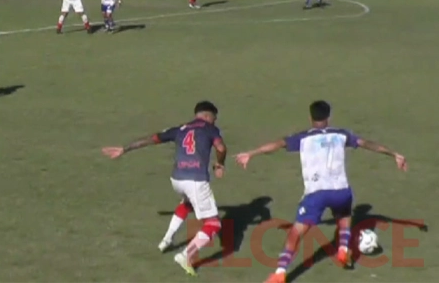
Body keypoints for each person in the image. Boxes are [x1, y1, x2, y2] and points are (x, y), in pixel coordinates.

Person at [234, 100, 408, 283]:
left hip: (317, 194)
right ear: (329, 116)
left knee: (295, 234)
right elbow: (367, 143)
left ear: (310, 117)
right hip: (341, 191)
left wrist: (251, 153)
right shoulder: (342, 134)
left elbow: (277, 144)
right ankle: (342, 249)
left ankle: (280, 272)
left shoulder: (302, 138)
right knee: (344, 215)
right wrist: (394, 154)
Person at [102, 101, 227, 276]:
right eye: (214, 118)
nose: (214, 122)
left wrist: (125, 149)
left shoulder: (180, 129)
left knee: (187, 203)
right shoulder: (210, 128)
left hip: (177, 179)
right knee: (213, 224)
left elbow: (152, 139)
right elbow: (221, 148)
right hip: (195, 180)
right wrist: (219, 164)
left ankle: (167, 239)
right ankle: (186, 255)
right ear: (208, 116)